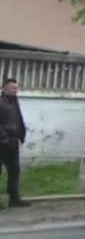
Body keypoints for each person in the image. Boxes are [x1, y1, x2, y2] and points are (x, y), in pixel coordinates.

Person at [0, 78, 30, 209]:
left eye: (16, 88)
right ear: (4, 88)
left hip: (13, 141)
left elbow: (18, 119)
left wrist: (21, 134)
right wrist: (3, 136)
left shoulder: (14, 102)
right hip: (2, 142)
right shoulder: (1, 102)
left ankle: (14, 198)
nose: (16, 91)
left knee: (14, 171)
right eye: (13, 88)